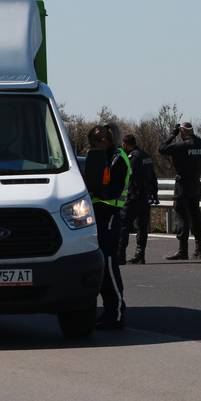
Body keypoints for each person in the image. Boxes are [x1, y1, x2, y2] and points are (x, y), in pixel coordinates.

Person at [87, 123, 130, 330]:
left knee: (109, 265)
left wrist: (95, 190)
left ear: (104, 142)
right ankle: (109, 311)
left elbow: (113, 189)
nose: (92, 149)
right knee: (101, 266)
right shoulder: (106, 157)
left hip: (110, 215)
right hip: (98, 215)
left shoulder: (118, 159)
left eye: (94, 145)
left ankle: (117, 312)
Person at [158, 121, 201, 260]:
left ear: (182, 131)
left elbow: (162, 149)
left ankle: (182, 250)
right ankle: (199, 250)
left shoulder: (181, 146)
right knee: (196, 216)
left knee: (182, 217)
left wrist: (172, 135)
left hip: (183, 184)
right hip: (196, 183)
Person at [120, 134, 158, 264]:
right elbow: (153, 176)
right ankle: (140, 254)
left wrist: (136, 193)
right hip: (146, 196)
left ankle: (121, 254)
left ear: (125, 144)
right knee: (142, 226)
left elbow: (135, 178)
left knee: (123, 224)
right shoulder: (146, 155)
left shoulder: (133, 157)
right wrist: (153, 193)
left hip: (135, 196)